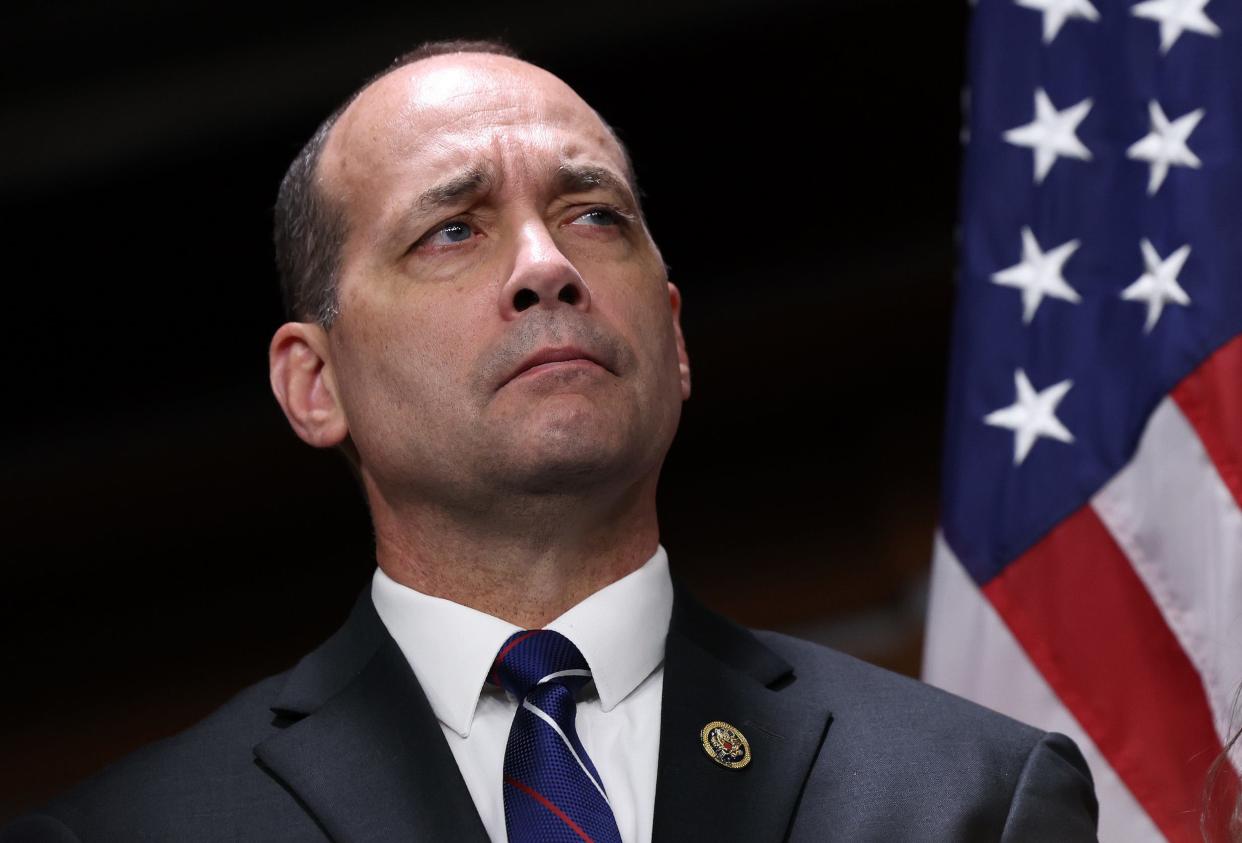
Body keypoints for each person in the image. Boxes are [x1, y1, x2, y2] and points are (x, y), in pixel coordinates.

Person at [2, 39, 1099, 842]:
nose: (545, 265)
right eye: (452, 231)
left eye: (594, 216)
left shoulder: (972, 793)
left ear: (671, 338)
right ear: (314, 383)